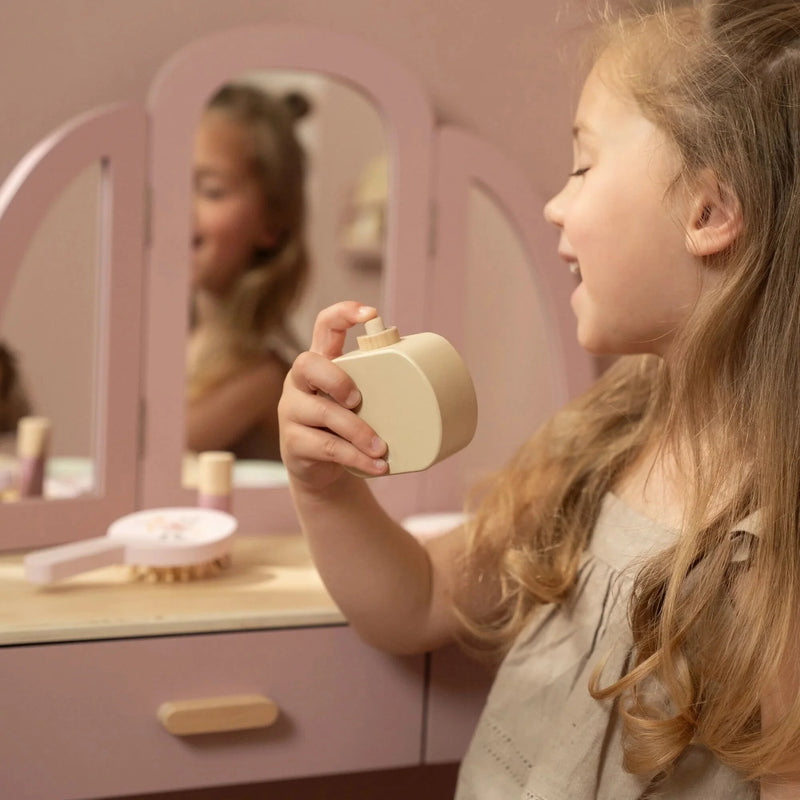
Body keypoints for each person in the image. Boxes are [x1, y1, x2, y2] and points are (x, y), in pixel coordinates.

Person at [278, 1, 800, 797]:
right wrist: (326, 490)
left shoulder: (778, 541)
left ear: (709, 212)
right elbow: (416, 602)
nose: (556, 203)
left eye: (583, 167)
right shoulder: (606, 439)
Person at [187, 82, 311, 461]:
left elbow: (151, 452)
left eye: (210, 190)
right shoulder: (171, 349)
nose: (178, 207)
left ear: (271, 223)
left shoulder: (263, 380)